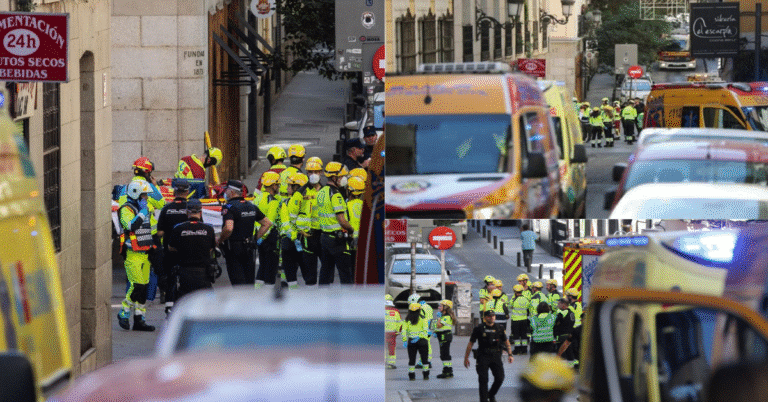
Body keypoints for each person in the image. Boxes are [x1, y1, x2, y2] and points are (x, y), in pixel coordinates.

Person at [116, 179, 156, 332]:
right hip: (132, 253)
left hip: (145, 251)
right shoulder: (126, 209)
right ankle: (124, 312)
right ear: (136, 193)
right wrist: (142, 213)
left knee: (143, 288)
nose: (146, 198)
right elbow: (131, 226)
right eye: (144, 195)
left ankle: (139, 319)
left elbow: (148, 228)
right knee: (137, 286)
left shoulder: (143, 207)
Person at [218, 180, 271, 286]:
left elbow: (229, 228)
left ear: (232, 192)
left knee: (238, 282)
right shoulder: (251, 206)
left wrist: (220, 240)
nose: (225, 193)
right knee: (249, 282)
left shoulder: (229, 207)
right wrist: (254, 238)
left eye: (226, 190)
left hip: (234, 248)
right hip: (249, 248)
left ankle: (241, 302)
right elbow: (267, 223)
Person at [167, 198, 216, 300]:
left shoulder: (178, 228)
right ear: (201, 212)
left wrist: (184, 249)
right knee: (207, 303)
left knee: (185, 301)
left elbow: (170, 247)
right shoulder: (209, 229)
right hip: (203, 273)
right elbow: (211, 248)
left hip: (185, 272)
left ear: (186, 212)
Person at [155, 179, 191, 315]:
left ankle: (169, 307)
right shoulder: (191, 208)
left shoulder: (166, 208)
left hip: (169, 250)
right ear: (187, 192)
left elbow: (160, 232)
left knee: (171, 279)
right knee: (186, 279)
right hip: (187, 251)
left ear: (174, 191)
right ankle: (185, 307)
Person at [317, 161, 355, 284]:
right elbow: (342, 220)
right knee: (345, 274)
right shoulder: (336, 195)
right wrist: (351, 230)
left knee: (325, 272)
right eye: (342, 176)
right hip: (337, 240)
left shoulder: (321, 191)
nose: (344, 179)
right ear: (334, 177)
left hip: (324, 238)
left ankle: (322, 299)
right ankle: (347, 301)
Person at [464, 310, 514, 402]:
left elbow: (506, 341)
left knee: (500, 378)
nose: (492, 317)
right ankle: (483, 400)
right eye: (489, 316)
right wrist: (466, 358)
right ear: (485, 318)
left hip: (496, 356)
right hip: (483, 355)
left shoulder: (500, 328)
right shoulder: (479, 328)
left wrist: (510, 354)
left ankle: (491, 394)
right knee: (483, 380)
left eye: (493, 316)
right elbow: (470, 343)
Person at [280, 172, 309, 289]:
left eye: (289, 186)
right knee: (307, 273)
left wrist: (292, 236)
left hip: (290, 241)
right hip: (302, 241)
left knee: (291, 273)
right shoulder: (309, 202)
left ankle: (294, 295)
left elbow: (285, 223)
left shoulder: (286, 203)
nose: (287, 188)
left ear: (296, 187)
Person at [297, 159, 323, 285]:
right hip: (307, 235)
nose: (313, 174)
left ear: (321, 173)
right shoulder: (301, 192)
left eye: (316, 172)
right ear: (306, 173)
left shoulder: (327, 191)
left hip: (324, 234)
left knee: (326, 269)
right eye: (310, 172)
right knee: (310, 273)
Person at [254, 172, 281, 287]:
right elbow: (269, 222)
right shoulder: (273, 201)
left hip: (258, 235)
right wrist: (264, 237)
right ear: (273, 185)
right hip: (270, 237)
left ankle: (257, 289)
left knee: (263, 265)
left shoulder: (257, 198)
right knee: (271, 268)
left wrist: (258, 238)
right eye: (278, 185)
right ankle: (268, 295)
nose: (279, 187)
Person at [402, 302, 430, 381]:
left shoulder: (407, 320)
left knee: (412, 360)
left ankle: (412, 376)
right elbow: (425, 331)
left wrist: (404, 340)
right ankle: (426, 375)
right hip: (422, 341)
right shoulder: (423, 318)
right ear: (419, 310)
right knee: (424, 359)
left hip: (411, 341)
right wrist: (419, 337)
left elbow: (403, 331)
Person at [408, 293, 434, 369]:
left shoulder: (421, 307)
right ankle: (428, 361)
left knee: (422, 346)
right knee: (427, 345)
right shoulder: (428, 306)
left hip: (422, 329)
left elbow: (420, 319)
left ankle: (423, 362)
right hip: (428, 328)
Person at [345, 175, 365, 268]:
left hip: (351, 242)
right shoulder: (366, 206)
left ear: (349, 191)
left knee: (352, 270)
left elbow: (344, 223)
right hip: (363, 242)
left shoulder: (346, 205)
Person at [434, 299, 456, 379]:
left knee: (444, 355)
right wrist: (435, 331)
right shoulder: (444, 316)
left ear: (446, 307)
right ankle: (449, 371)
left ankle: (446, 371)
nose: (439, 307)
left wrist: (438, 318)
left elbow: (439, 325)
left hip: (445, 336)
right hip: (443, 336)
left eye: (440, 306)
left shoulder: (446, 317)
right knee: (445, 354)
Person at [509, 284, 531, 355]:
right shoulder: (526, 299)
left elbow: (509, 308)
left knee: (516, 336)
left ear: (515, 292)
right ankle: (524, 350)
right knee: (524, 335)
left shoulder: (513, 300)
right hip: (524, 320)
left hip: (515, 321)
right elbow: (529, 308)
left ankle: (517, 350)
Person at [565, 288, 583, 368]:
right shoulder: (578, 304)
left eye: (567, 296)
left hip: (574, 330)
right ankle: (577, 365)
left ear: (570, 297)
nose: (566, 298)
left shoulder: (572, 306)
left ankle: (576, 365)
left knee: (574, 349)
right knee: (576, 349)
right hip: (577, 329)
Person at [385, 294, 402, 370]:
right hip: (392, 333)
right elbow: (399, 323)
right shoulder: (396, 311)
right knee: (391, 348)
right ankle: (391, 364)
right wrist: (398, 331)